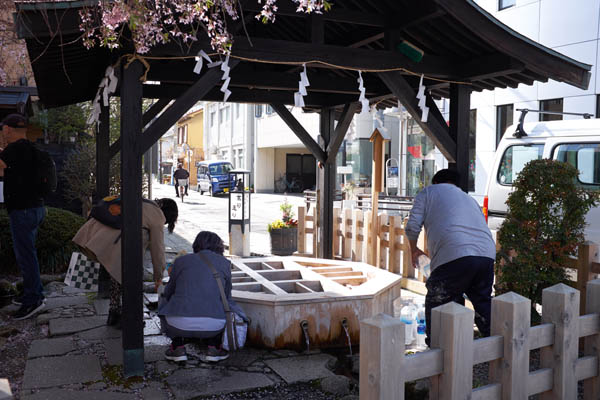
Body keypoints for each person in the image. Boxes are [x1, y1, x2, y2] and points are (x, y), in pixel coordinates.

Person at [405, 169, 496, 346]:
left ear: (436, 182)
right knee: (483, 305)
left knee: (438, 301)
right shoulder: (469, 199)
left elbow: (412, 226)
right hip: (486, 255)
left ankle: (438, 351)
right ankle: (495, 349)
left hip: (455, 255)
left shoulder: (428, 192)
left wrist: (413, 249)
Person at [73, 198, 178, 327]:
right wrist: (158, 277)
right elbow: (158, 250)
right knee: (132, 279)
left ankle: (114, 313)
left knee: (117, 276)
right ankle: (130, 318)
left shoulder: (143, 202)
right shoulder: (157, 215)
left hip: (98, 236)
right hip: (116, 243)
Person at [158, 231, 247, 363]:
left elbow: (169, 291)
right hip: (214, 325)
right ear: (219, 247)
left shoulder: (181, 261)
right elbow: (227, 296)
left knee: (163, 295)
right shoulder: (224, 263)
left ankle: (177, 347)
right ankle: (214, 348)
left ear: (196, 245)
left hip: (176, 324)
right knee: (222, 303)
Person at [0, 114, 47, 320]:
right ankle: (31, 292)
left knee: (26, 256)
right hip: (36, 208)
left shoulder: (14, 149)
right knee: (29, 254)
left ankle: (34, 300)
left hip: (23, 210)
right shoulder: (30, 149)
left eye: (2, 130)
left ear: (8, 129)